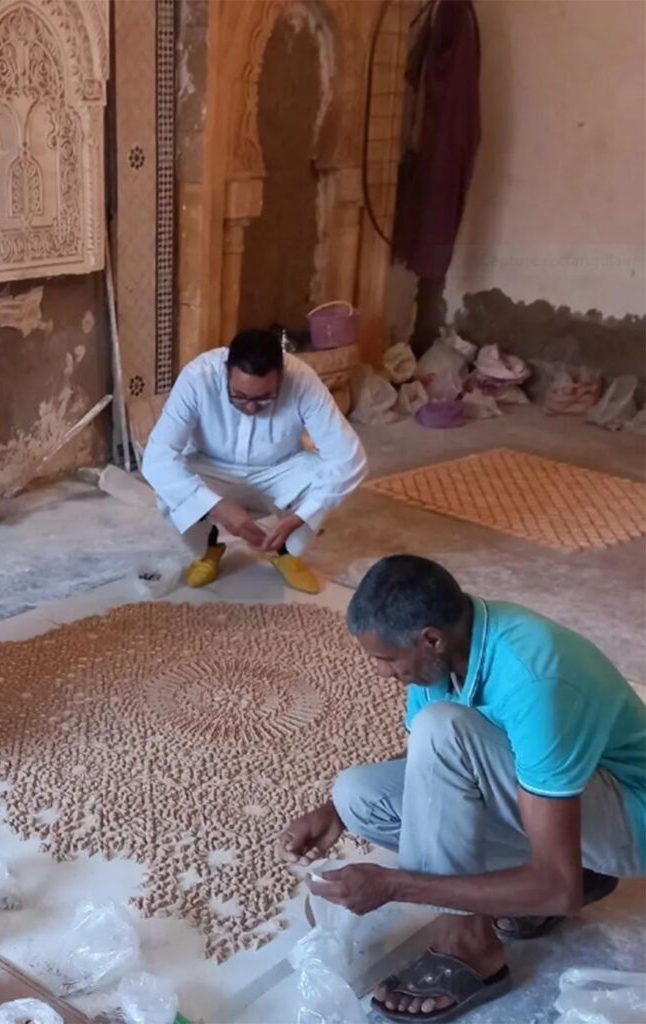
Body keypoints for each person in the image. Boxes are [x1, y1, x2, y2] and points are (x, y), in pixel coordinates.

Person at [279, 555, 645, 1021]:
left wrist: (394, 885)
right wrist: (334, 810)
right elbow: (431, 768)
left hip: (633, 816)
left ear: (430, 638)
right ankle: (542, 877)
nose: (381, 673)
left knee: (443, 729)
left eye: (386, 659)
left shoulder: (533, 676)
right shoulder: (443, 655)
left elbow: (558, 888)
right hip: (566, 800)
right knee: (358, 794)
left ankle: (470, 946)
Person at [142, 329, 367, 594]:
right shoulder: (197, 377)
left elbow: (350, 457)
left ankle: (286, 552)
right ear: (226, 371)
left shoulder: (303, 380)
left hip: (279, 469)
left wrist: (300, 517)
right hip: (211, 468)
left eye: (263, 398)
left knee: (324, 475)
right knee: (169, 484)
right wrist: (217, 507)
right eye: (240, 396)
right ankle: (208, 550)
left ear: (281, 376)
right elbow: (156, 458)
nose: (250, 408)